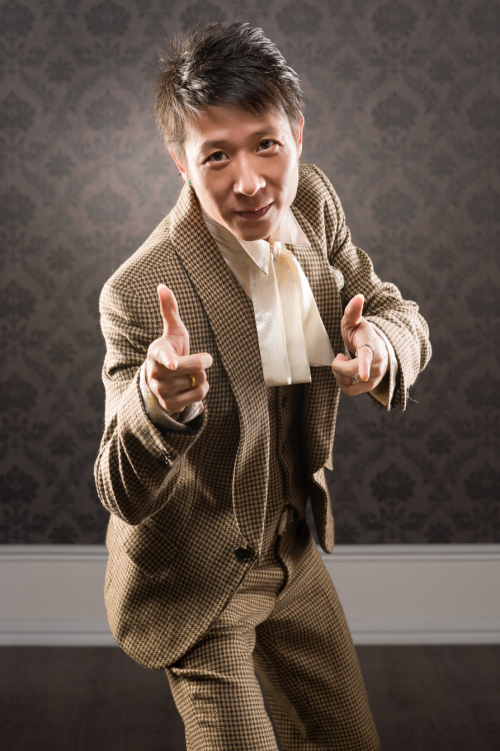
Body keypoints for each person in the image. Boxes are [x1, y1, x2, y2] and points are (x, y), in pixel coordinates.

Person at [94, 20, 431, 751]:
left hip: (291, 548)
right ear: (182, 162)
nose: (248, 182)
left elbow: (392, 309)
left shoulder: (312, 202)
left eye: (266, 145)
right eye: (217, 155)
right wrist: (159, 408)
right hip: (196, 577)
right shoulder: (138, 291)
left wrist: (379, 347)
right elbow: (119, 489)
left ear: (297, 134)